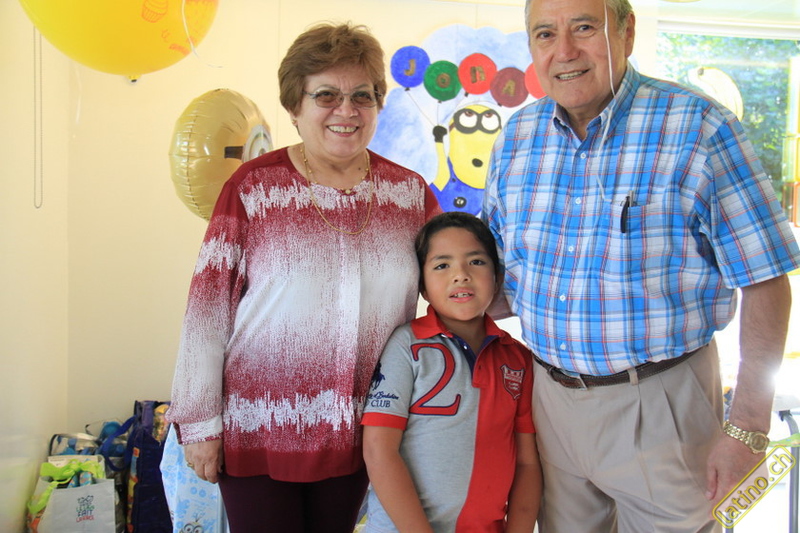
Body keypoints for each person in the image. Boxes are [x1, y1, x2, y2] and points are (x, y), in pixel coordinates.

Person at [482, 0, 800, 530]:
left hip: (662, 405)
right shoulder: (517, 138)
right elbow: (501, 277)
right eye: (545, 34)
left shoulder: (699, 127)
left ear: (626, 32)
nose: (565, 51)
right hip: (549, 403)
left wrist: (748, 427)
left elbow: (766, 278)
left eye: (584, 27)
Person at [166, 22, 441, 533]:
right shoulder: (253, 188)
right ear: (295, 106)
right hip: (259, 427)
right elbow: (207, 311)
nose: (346, 110)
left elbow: (449, 293)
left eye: (362, 96)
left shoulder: (409, 195)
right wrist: (200, 423)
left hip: (361, 430)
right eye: (326, 95)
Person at [362, 212, 542, 532]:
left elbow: (528, 463)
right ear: (422, 286)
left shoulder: (518, 359)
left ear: (497, 277)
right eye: (442, 265)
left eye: (476, 261)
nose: (461, 275)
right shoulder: (405, 345)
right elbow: (379, 451)